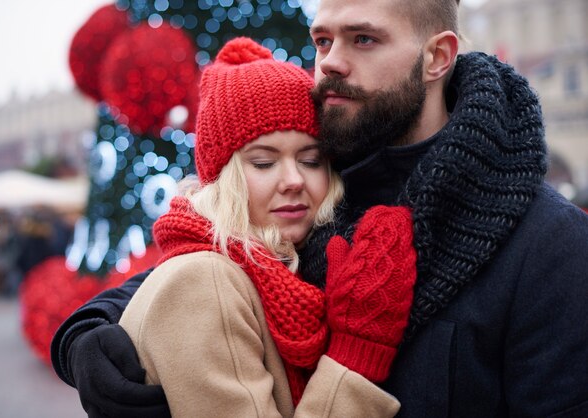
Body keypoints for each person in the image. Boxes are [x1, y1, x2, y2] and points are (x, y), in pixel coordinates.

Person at [52, 0, 588, 416]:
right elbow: (212, 255)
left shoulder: (548, 245)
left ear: (437, 57)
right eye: (323, 40)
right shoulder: (316, 181)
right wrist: (87, 335)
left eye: (362, 39)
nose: (330, 62)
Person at [68, 36, 418, 417]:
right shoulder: (207, 281)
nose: (293, 180)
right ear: (223, 179)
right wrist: (355, 357)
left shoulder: (276, 264)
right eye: (264, 163)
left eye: (311, 160)